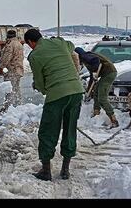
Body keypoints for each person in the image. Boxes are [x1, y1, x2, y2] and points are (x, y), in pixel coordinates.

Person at [24, 29, 84, 181]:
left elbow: (39, 80)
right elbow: (71, 45)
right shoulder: (59, 42)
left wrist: (44, 90)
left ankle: (46, 171)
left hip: (57, 94)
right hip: (76, 91)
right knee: (70, 129)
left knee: (48, 131)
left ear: (31, 42)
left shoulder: (35, 55)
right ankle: (65, 170)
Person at [74, 47, 119, 128]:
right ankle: (96, 112)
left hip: (109, 73)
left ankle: (113, 119)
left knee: (102, 97)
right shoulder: (86, 58)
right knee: (95, 93)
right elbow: (92, 77)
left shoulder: (85, 56)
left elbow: (96, 60)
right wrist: (88, 90)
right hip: (106, 74)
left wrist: (95, 71)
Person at [0, 30, 24, 112]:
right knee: (16, 89)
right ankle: (18, 107)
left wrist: (1, 67)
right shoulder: (19, 44)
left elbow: (7, 57)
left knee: (9, 90)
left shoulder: (10, 44)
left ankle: (8, 109)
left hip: (12, 70)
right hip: (18, 70)